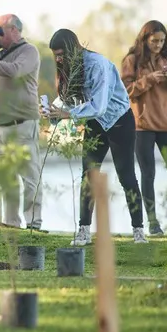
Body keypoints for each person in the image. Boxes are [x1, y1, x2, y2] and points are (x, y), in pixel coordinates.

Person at [44, 28, 147, 245]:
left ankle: (138, 230)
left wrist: (68, 114)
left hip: (119, 120)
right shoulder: (70, 67)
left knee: (126, 175)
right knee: (88, 174)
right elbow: (69, 100)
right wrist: (52, 111)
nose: (59, 59)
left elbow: (99, 106)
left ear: (73, 48)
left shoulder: (97, 64)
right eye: (56, 55)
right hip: (96, 122)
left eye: (62, 53)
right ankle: (83, 230)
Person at [121, 20, 167, 236]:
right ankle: (153, 223)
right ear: (145, 39)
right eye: (154, 41)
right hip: (142, 127)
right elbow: (125, 91)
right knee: (148, 174)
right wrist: (149, 79)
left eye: (162, 41)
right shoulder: (131, 61)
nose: (159, 45)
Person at [0, 14, 43, 230]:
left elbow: (15, 71)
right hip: (0, 126)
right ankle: (12, 223)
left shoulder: (28, 51)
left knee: (30, 177)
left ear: (14, 30)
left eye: (0, 31)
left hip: (22, 123)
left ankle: (34, 223)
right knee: (6, 179)